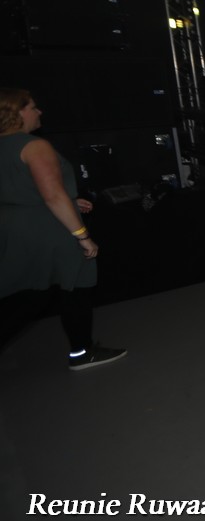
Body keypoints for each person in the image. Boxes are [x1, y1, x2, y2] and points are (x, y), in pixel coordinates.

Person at [0, 89, 122, 370]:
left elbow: (22, 190)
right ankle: (82, 352)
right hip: (47, 231)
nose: (39, 112)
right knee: (69, 288)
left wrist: (69, 201)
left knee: (26, 293)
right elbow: (53, 195)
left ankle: (82, 350)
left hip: (13, 229)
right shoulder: (34, 146)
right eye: (33, 107)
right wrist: (82, 236)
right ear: (17, 112)